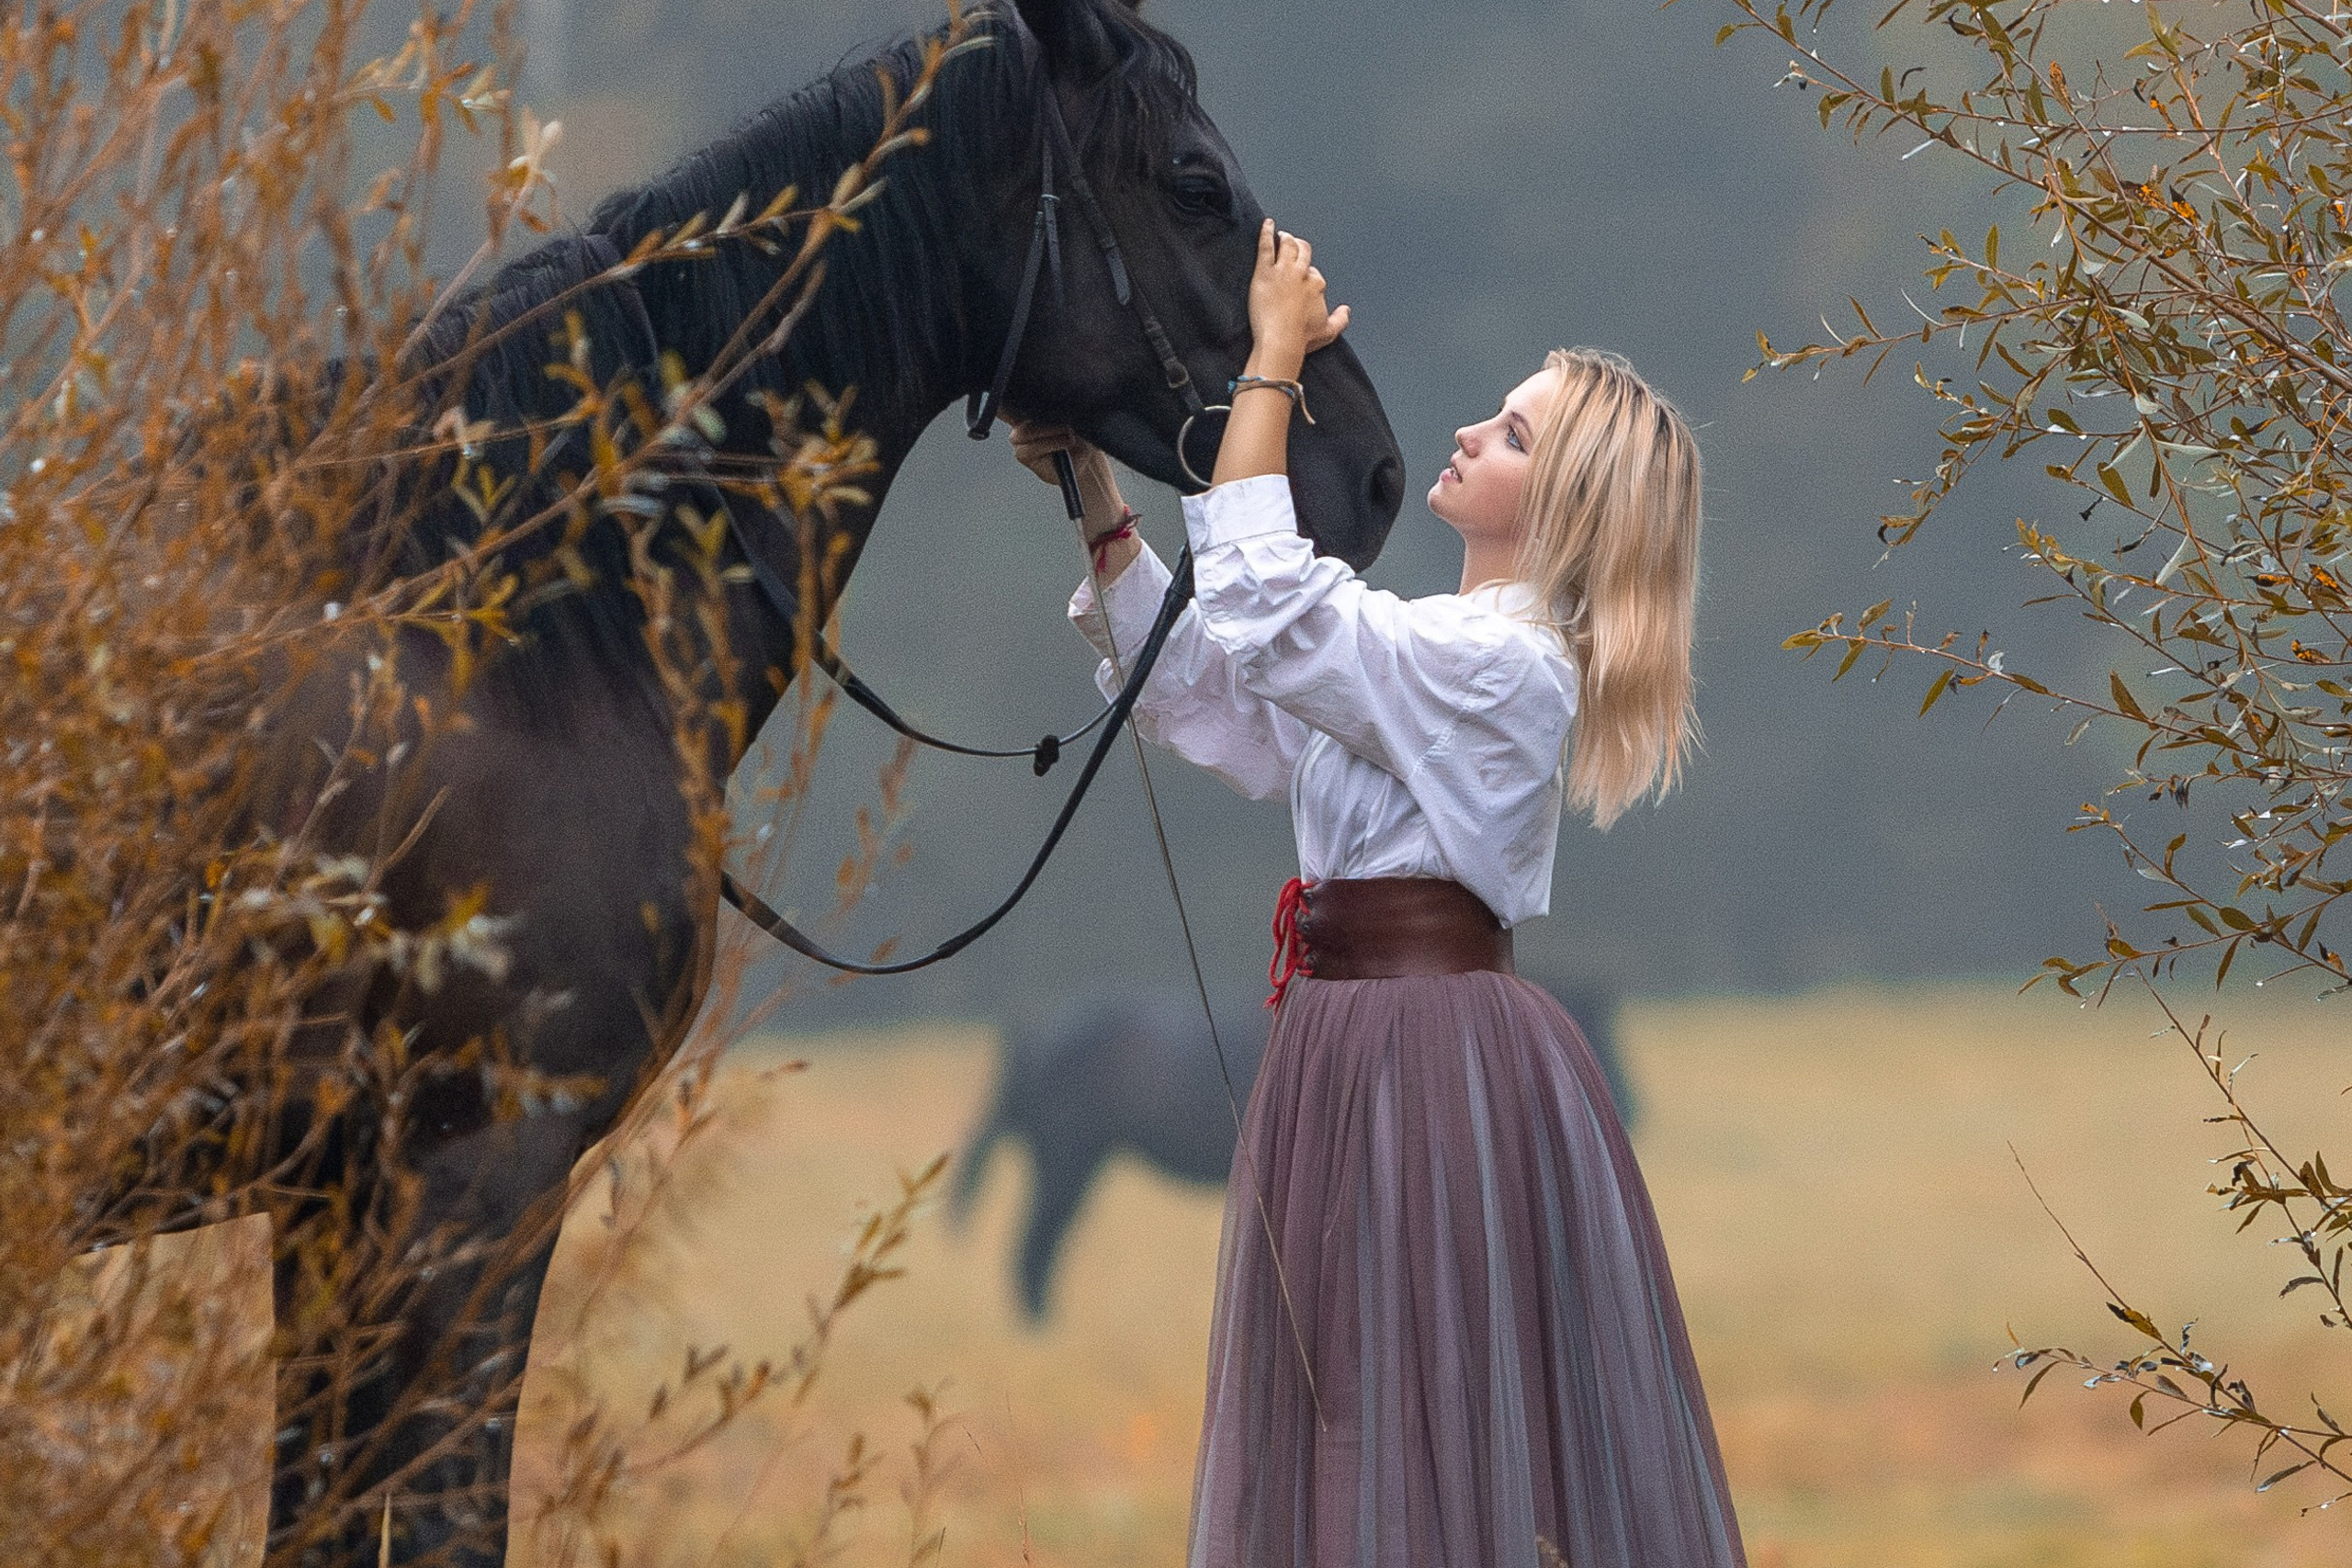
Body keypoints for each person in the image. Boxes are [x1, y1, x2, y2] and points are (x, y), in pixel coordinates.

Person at [1009, 220, 1744, 1568]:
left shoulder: (1503, 665)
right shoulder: (1424, 652)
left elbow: (1274, 612)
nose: (1469, 433)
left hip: (1423, 1051)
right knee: (1350, 1400)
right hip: (1348, 1041)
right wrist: (1096, 497)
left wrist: (1274, 363)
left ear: (1569, 505)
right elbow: (1217, 700)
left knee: (1406, 1410)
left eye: (1515, 435)